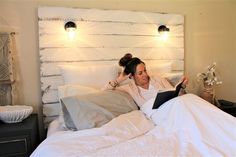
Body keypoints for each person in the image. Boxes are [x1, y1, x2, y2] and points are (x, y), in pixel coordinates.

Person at [103, 53, 188, 108]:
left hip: (172, 107)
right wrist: (119, 79)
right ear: (132, 76)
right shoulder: (129, 88)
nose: (145, 75)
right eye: (140, 73)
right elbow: (105, 91)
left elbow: (175, 96)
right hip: (156, 114)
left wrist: (182, 87)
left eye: (145, 70)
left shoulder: (158, 79)